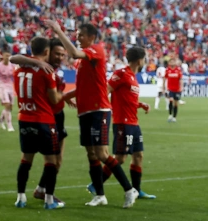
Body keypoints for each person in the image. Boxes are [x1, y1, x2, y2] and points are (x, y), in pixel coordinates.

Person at [43, 20, 139, 209]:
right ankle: (100, 195)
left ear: (91, 37)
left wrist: (59, 31)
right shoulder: (83, 61)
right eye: (77, 35)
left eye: (81, 35)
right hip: (85, 111)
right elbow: (83, 86)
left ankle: (129, 190)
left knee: (102, 153)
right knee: (91, 154)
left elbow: (73, 52)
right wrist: (65, 96)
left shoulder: (97, 50)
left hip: (98, 110)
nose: (78, 38)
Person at [11, 38, 70, 206]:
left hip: (24, 117)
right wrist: (70, 94)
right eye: (56, 53)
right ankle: (49, 200)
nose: (59, 57)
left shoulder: (20, 69)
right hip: (44, 119)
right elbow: (54, 98)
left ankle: (20, 197)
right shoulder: (46, 71)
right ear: (47, 52)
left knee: (26, 159)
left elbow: (14, 59)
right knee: (51, 161)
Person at [96, 46, 156, 200]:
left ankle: (137, 190)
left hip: (134, 122)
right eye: (144, 59)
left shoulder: (132, 76)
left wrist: (140, 104)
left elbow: (127, 99)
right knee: (120, 158)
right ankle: (96, 184)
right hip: (123, 122)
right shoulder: (121, 74)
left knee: (138, 155)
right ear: (139, 60)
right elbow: (106, 91)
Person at [164, 58, 183, 122]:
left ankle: (174, 117)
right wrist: (163, 87)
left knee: (175, 104)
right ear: (169, 63)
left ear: (175, 63)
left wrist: (181, 87)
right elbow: (165, 78)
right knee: (171, 100)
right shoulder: (167, 70)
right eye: (170, 62)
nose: (172, 63)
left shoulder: (178, 70)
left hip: (177, 89)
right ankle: (170, 115)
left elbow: (180, 79)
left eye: (173, 62)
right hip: (170, 89)